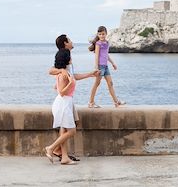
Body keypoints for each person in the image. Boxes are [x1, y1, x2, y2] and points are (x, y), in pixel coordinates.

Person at [48, 34, 98, 162]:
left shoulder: (66, 62)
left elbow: (73, 76)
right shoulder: (63, 60)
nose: (72, 41)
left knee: (69, 126)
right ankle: (54, 150)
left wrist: (90, 74)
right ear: (65, 43)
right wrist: (61, 73)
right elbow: (52, 71)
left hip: (67, 100)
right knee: (68, 129)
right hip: (64, 101)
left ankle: (61, 153)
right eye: (69, 40)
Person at [44, 49, 78, 165]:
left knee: (64, 131)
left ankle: (64, 158)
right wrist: (71, 83)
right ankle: (51, 148)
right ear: (67, 59)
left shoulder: (62, 73)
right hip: (63, 104)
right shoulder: (64, 74)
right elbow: (62, 92)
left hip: (63, 103)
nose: (71, 59)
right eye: (70, 57)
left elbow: (56, 88)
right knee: (72, 131)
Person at [88, 26, 126, 108]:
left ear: (106, 34)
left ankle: (116, 102)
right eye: (100, 34)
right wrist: (96, 67)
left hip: (106, 67)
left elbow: (106, 55)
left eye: (103, 34)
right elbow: (97, 55)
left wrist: (113, 63)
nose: (102, 36)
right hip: (100, 67)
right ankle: (91, 102)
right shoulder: (98, 44)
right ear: (98, 34)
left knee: (110, 84)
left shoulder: (107, 43)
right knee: (96, 83)